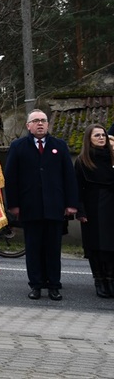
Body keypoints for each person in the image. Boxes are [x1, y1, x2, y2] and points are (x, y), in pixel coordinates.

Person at [4, 109, 78, 301]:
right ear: (28, 126)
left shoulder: (59, 146)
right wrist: (13, 205)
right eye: (35, 121)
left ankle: (54, 285)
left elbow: (69, 177)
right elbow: (11, 178)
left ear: (48, 124)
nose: (40, 124)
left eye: (43, 120)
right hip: (30, 207)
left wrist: (71, 204)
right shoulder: (18, 146)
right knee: (34, 248)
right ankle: (36, 285)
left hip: (54, 206)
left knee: (53, 249)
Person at [74, 123, 114, 298]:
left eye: (103, 135)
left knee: (111, 246)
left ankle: (111, 279)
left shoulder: (112, 158)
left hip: (111, 206)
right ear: (89, 139)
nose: (101, 138)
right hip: (93, 207)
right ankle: (99, 280)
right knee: (95, 246)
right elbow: (77, 188)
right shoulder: (83, 161)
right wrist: (80, 211)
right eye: (97, 135)